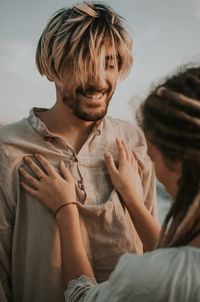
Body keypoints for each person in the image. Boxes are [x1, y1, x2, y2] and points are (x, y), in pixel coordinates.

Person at [0, 2, 157, 302]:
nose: (98, 80)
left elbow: (157, 258)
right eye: (81, 63)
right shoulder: (8, 149)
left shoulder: (131, 140)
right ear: (52, 67)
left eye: (109, 63)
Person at [20, 65, 200, 301]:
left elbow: (81, 296)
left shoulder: (149, 278)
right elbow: (178, 259)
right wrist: (133, 199)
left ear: (176, 161)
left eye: (153, 157)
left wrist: (66, 210)